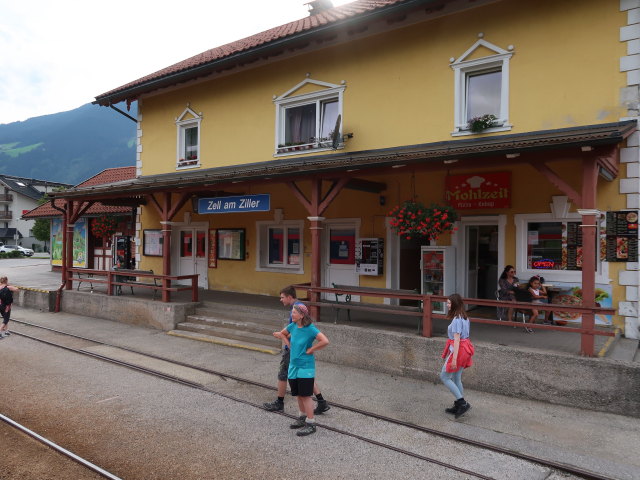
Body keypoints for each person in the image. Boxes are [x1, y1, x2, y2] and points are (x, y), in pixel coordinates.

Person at [263, 286, 330, 414]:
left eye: (282, 297)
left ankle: (280, 402)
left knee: (283, 374)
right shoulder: (299, 308)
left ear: (289, 297)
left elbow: (295, 331)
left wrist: (284, 339)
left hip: (295, 350)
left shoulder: (296, 310)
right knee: (305, 378)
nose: (280, 300)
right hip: (299, 351)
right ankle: (321, 401)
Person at [273, 303, 329, 436]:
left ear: (301, 315)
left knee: (305, 395)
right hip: (293, 365)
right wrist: (286, 341)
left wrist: (311, 349)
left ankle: (311, 423)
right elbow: (282, 334)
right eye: (292, 312)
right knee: (298, 394)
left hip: (305, 366)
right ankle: (302, 417)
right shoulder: (292, 326)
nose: (291, 315)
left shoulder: (310, 328)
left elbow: (325, 341)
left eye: (294, 313)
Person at [440, 293, 474, 419]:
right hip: (465, 349)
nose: (447, 305)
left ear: (454, 304)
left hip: (458, 350)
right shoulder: (464, 317)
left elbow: (457, 340)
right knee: (456, 377)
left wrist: (453, 359)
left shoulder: (456, 319)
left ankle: (462, 403)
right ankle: (460, 404)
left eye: (449, 303)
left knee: (444, 376)